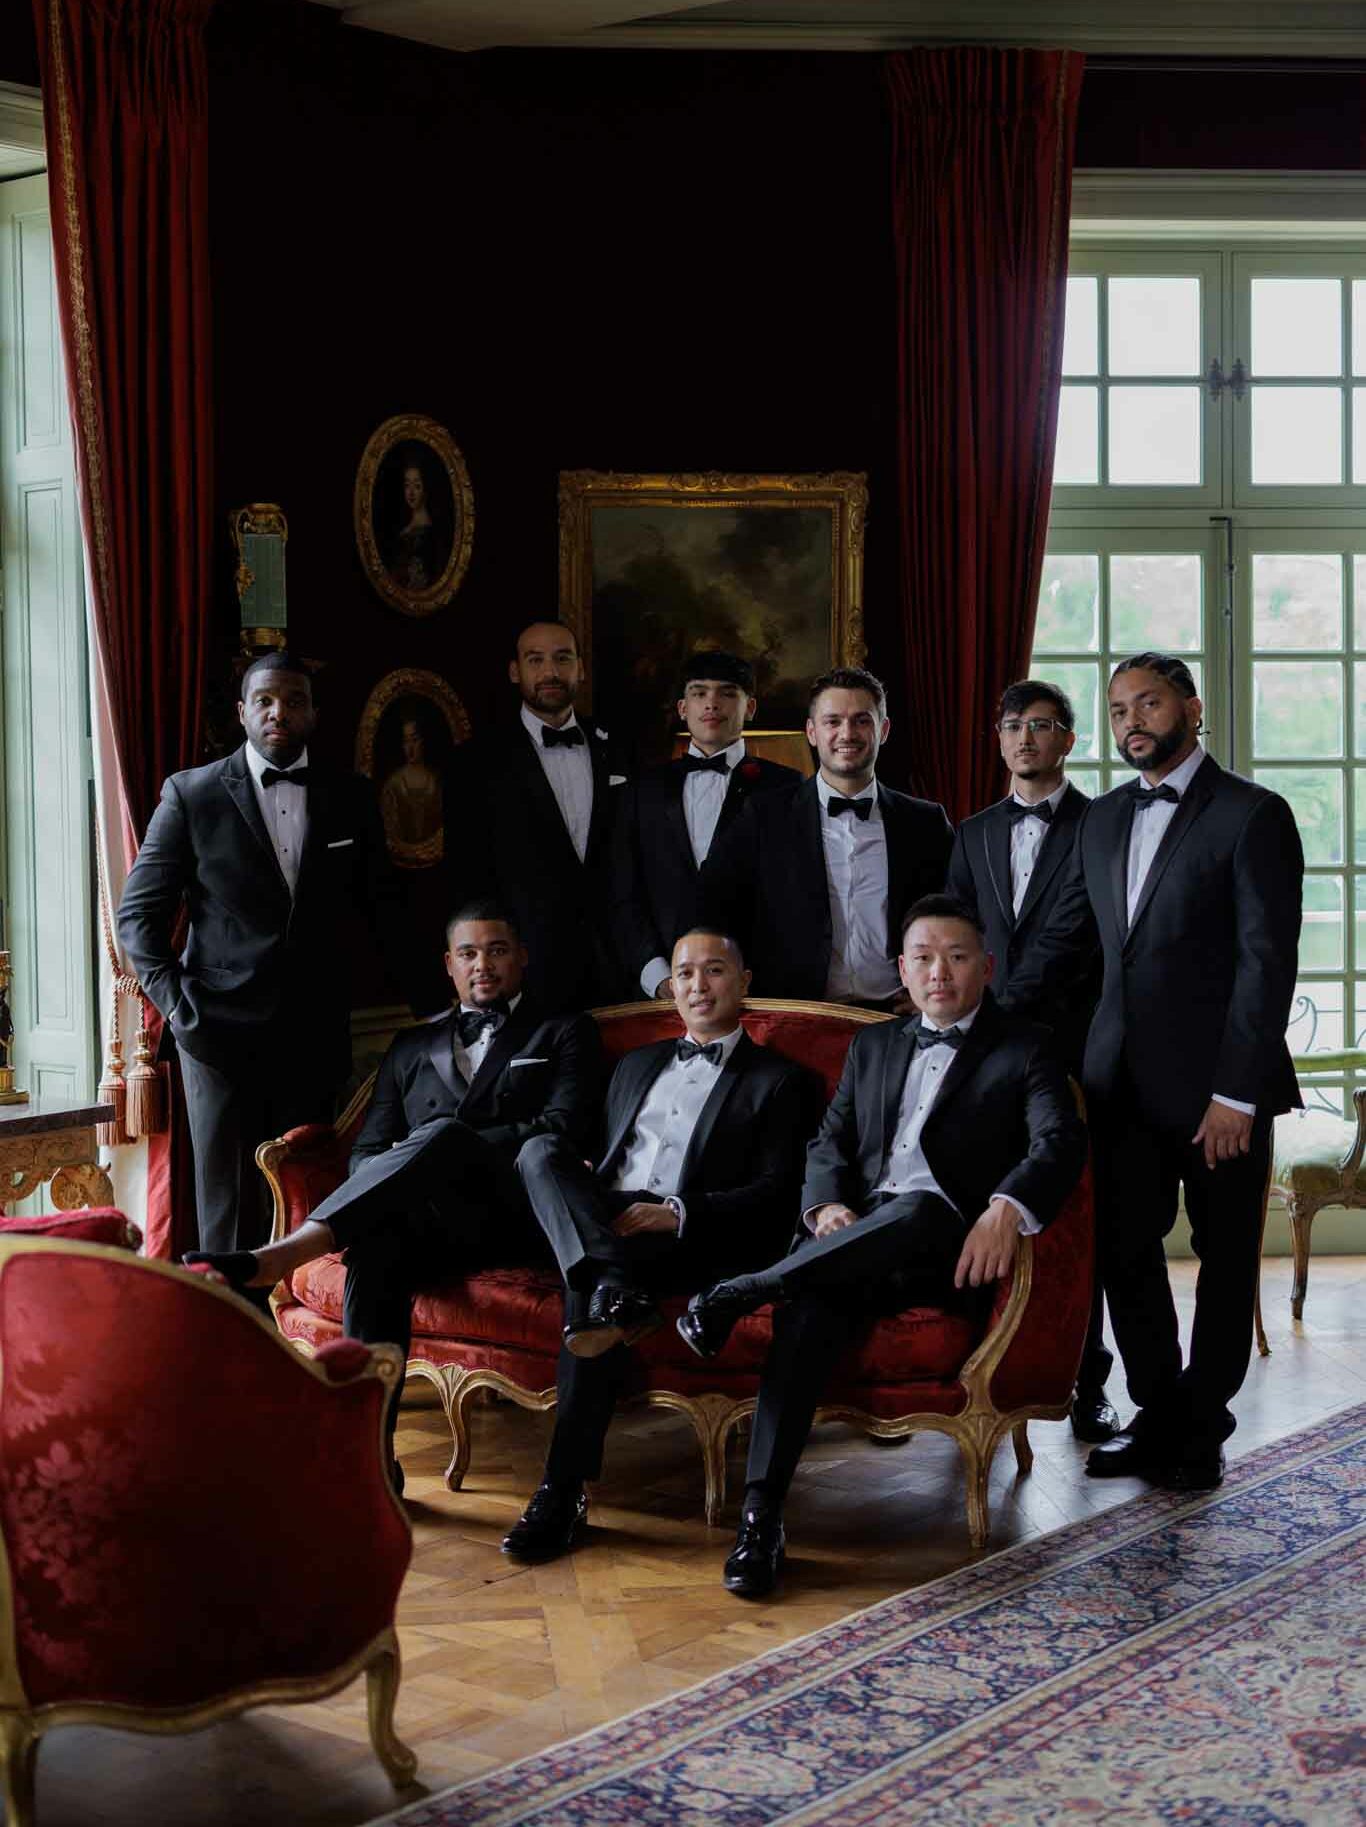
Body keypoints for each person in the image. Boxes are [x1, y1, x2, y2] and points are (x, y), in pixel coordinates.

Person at [677, 895, 1087, 1598]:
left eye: (956, 957)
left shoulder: (1027, 1045)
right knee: (807, 1312)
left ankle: (747, 1289)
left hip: (944, 1248)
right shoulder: (873, 1044)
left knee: (920, 1206)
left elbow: (1060, 1140)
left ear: (985, 967)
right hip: (852, 1241)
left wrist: (1003, 1206)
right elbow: (829, 1142)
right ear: (902, 968)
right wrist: (826, 1204)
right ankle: (760, 1520)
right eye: (923, 957)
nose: (939, 972)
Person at [1005, 652, 1303, 1493]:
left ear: (1191, 709)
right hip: (1118, 1087)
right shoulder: (1099, 820)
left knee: (1225, 1255)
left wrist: (1236, 1091)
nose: (1132, 719)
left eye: (1150, 702)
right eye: (1119, 708)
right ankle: (1158, 1410)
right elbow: (1076, 945)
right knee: (1124, 1252)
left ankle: (1203, 1424)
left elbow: (1264, 964)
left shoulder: (1253, 814)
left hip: (1220, 1092)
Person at [185, 906, 603, 1477]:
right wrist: (406, 1184)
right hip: (431, 1223)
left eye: (498, 950)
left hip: (513, 1214)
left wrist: (452, 1146)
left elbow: (562, 1131)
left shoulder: (564, 1031)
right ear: (449, 966)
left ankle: (283, 1254)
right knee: (378, 1249)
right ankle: (370, 1456)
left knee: (445, 1136)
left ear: (522, 957)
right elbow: (366, 1148)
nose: (484, 965)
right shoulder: (411, 1045)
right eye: (469, 953)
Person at [501, 928, 821, 1564]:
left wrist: (676, 1213)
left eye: (714, 971)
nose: (698, 986)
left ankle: (561, 1492)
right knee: (539, 1152)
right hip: (611, 1225)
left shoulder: (784, 1082)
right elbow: (594, 1156)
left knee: (586, 1283)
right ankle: (611, 1283)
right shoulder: (634, 1064)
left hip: (691, 1235)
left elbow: (778, 1195)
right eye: (684, 974)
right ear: (668, 986)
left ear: (744, 981)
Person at [117, 652, 412, 1257]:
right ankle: (229, 1339)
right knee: (226, 1209)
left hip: (315, 1033)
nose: (280, 713)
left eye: (295, 701)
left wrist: (432, 1010)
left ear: (314, 713)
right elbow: (137, 919)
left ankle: (295, 1339)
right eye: (266, 701)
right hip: (217, 1034)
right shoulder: (191, 794)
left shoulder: (351, 796)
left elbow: (385, 911)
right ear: (243, 712)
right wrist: (179, 1009)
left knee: (305, 1199)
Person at [946, 679, 1117, 1443]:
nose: (1024, 738)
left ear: (1067, 740)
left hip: (1073, 1046)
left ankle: (1090, 1382)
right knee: (985, 1204)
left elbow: (1077, 932)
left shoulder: (1101, 825)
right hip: (984, 1054)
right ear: (1000, 736)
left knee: (1082, 1216)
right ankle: (975, 1378)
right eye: (1012, 725)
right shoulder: (974, 831)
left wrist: (998, 1008)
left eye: (1041, 726)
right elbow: (953, 927)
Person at [699, 667, 954, 1007]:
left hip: (898, 1019)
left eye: (862, 720)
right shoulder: (762, 817)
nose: (847, 733)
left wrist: (932, 991)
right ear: (812, 732)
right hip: (794, 1015)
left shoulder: (925, 822)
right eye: (833, 721)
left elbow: (956, 917)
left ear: (884, 730)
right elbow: (712, 905)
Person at [452, 621, 624, 1011]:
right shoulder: (476, 763)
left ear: (580, 668)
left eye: (562, 658)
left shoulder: (618, 748)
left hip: (618, 970)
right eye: (536, 660)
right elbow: (467, 877)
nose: (550, 672)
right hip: (527, 972)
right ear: (515, 671)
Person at [612, 650, 799, 1001]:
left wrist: (758, 975)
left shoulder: (787, 787)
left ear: (751, 708)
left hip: (761, 986)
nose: (712, 704)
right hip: (660, 987)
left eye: (728, 693)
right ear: (683, 709)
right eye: (699, 693)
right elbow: (624, 893)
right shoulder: (642, 791)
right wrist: (658, 977)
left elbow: (795, 896)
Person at [379, 714, 443, 852]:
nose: (410, 747)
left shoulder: (437, 781)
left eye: (414, 740)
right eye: (406, 741)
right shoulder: (394, 783)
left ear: (424, 741)